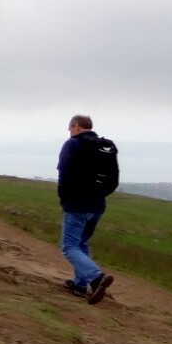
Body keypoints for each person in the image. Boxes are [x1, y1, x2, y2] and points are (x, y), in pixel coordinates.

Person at [57, 114, 116, 304]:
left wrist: (64, 198)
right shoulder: (103, 146)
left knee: (69, 246)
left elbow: (64, 173)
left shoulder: (72, 144)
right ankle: (80, 285)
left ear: (76, 127)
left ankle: (96, 277)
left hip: (77, 204)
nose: (69, 132)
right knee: (81, 244)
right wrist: (100, 195)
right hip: (97, 205)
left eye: (69, 128)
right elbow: (113, 178)